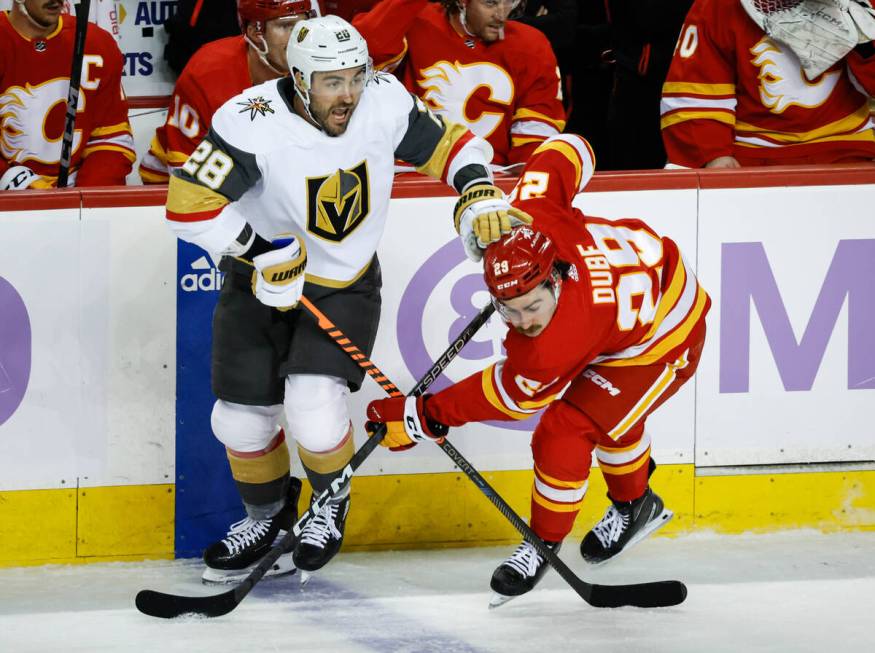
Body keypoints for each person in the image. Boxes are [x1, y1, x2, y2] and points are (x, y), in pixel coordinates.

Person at [165, 15, 527, 584]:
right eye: (333, 82)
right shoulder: (249, 119)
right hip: (258, 283)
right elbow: (188, 203)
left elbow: (450, 147)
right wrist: (260, 251)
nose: (350, 94)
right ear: (301, 79)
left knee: (313, 410)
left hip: (345, 284)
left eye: (356, 77)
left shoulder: (383, 100)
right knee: (239, 422)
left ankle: (327, 505)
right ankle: (267, 521)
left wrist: (478, 187)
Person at [365, 132, 710, 606]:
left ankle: (542, 543)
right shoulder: (532, 211)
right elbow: (569, 148)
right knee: (609, 412)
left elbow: (509, 397)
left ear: (554, 278)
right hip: (636, 303)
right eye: (508, 308)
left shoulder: (554, 343)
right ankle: (636, 505)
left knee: (565, 429)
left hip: (667, 334)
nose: (524, 322)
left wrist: (422, 416)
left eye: (532, 305)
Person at [660, 0, 875, 168]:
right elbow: (693, 93)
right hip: (751, 155)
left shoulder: (863, 4)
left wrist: (866, 45)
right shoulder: (719, 6)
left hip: (847, 148)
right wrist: (714, 155)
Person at [353, 0, 567, 168]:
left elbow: (537, 131)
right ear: (462, 2)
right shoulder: (418, 23)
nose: (501, 14)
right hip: (414, 172)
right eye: (490, 3)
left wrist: (522, 185)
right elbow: (362, 51)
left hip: (491, 178)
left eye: (508, 1)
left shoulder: (531, 45)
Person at [139, 0, 318, 184]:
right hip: (169, 188)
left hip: (255, 184)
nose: (298, 38)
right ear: (255, 33)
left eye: (302, 26)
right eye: (286, 26)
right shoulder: (207, 72)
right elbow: (186, 175)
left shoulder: (318, 69)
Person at [0, 0, 133, 189]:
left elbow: (111, 138)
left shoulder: (97, 43)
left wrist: (84, 200)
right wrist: (18, 183)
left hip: (76, 190)